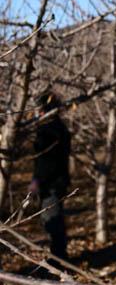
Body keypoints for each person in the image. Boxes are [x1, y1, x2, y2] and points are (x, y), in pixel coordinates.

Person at [29, 91, 72, 264]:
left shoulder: (49, 130)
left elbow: (46, 161)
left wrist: (37, 181)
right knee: (53, 221)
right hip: (57, 180)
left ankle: (58, 262)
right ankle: (58, 259)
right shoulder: (59, 127)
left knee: (53, 222)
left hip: (52, 183)